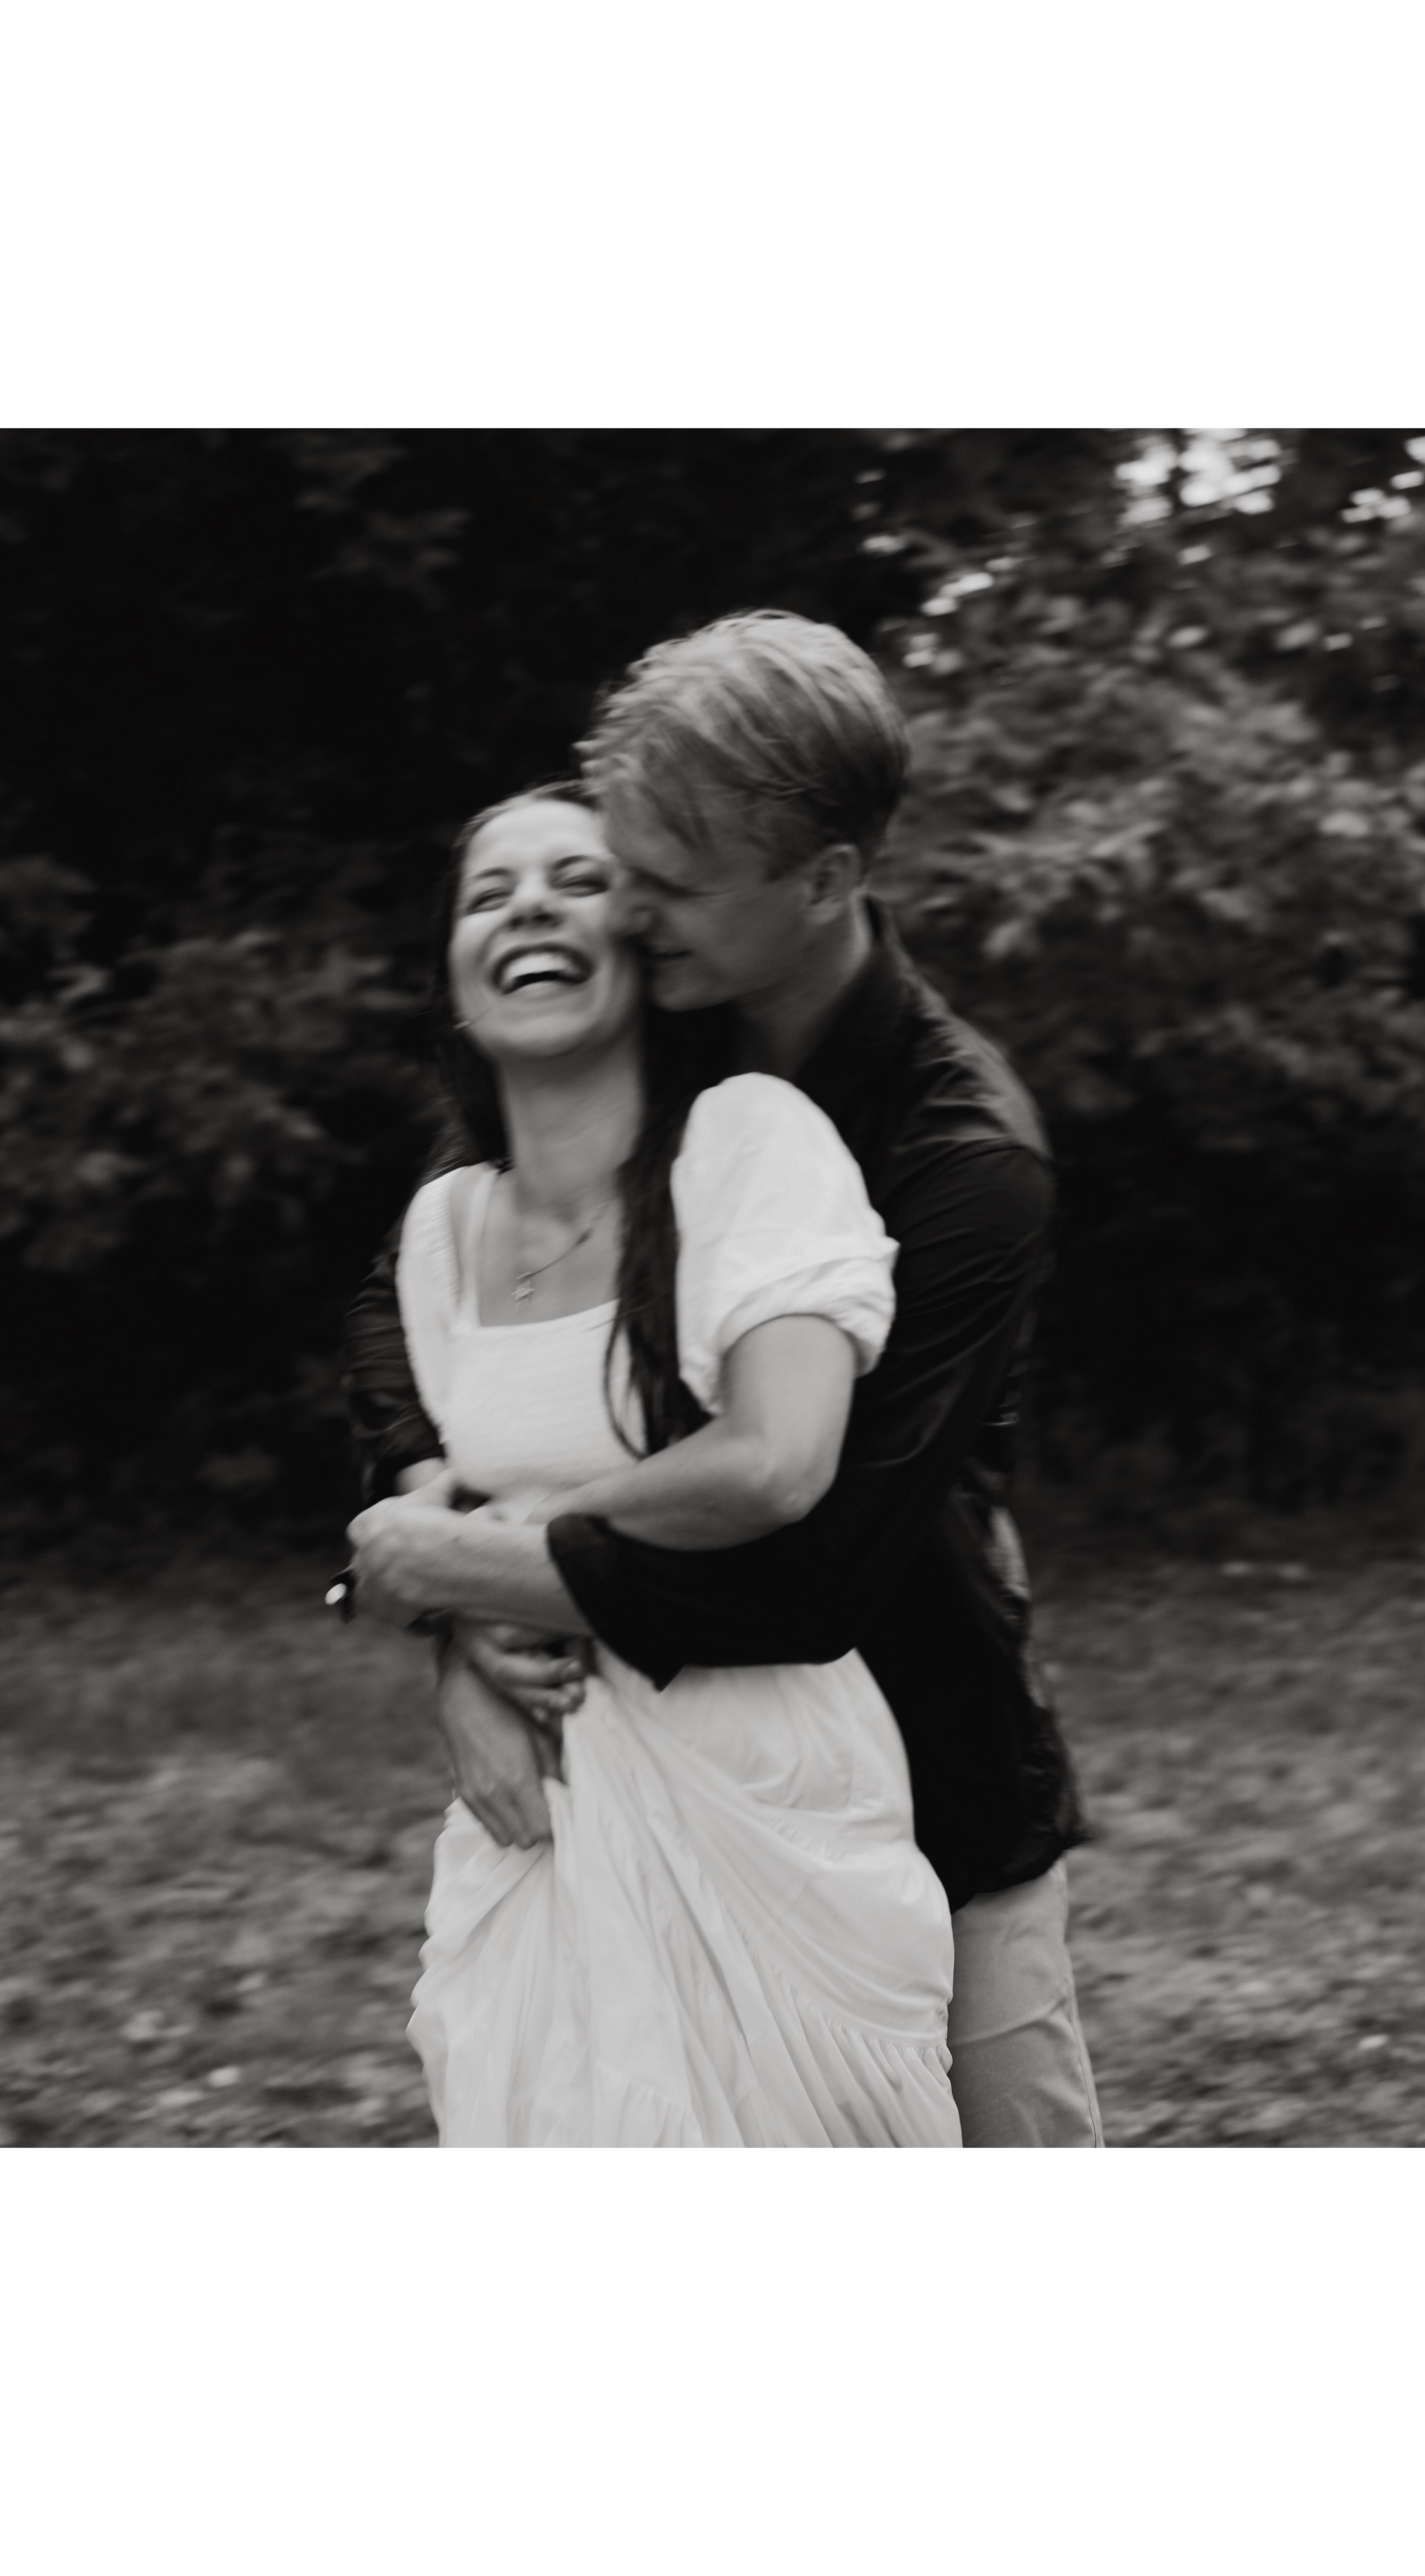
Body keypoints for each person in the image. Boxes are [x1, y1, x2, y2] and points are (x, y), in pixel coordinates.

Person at [344, 609, 1100, 2147]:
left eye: (671, 885)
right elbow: (414, 1318)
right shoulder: (621, 1027)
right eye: (623, 864)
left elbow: (813, 1568)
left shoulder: (966, 1160)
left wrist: (470, 1570)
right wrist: (456, 1634)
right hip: (620, 1774)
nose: (627, 909)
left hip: (924, 1753)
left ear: (825, 879)